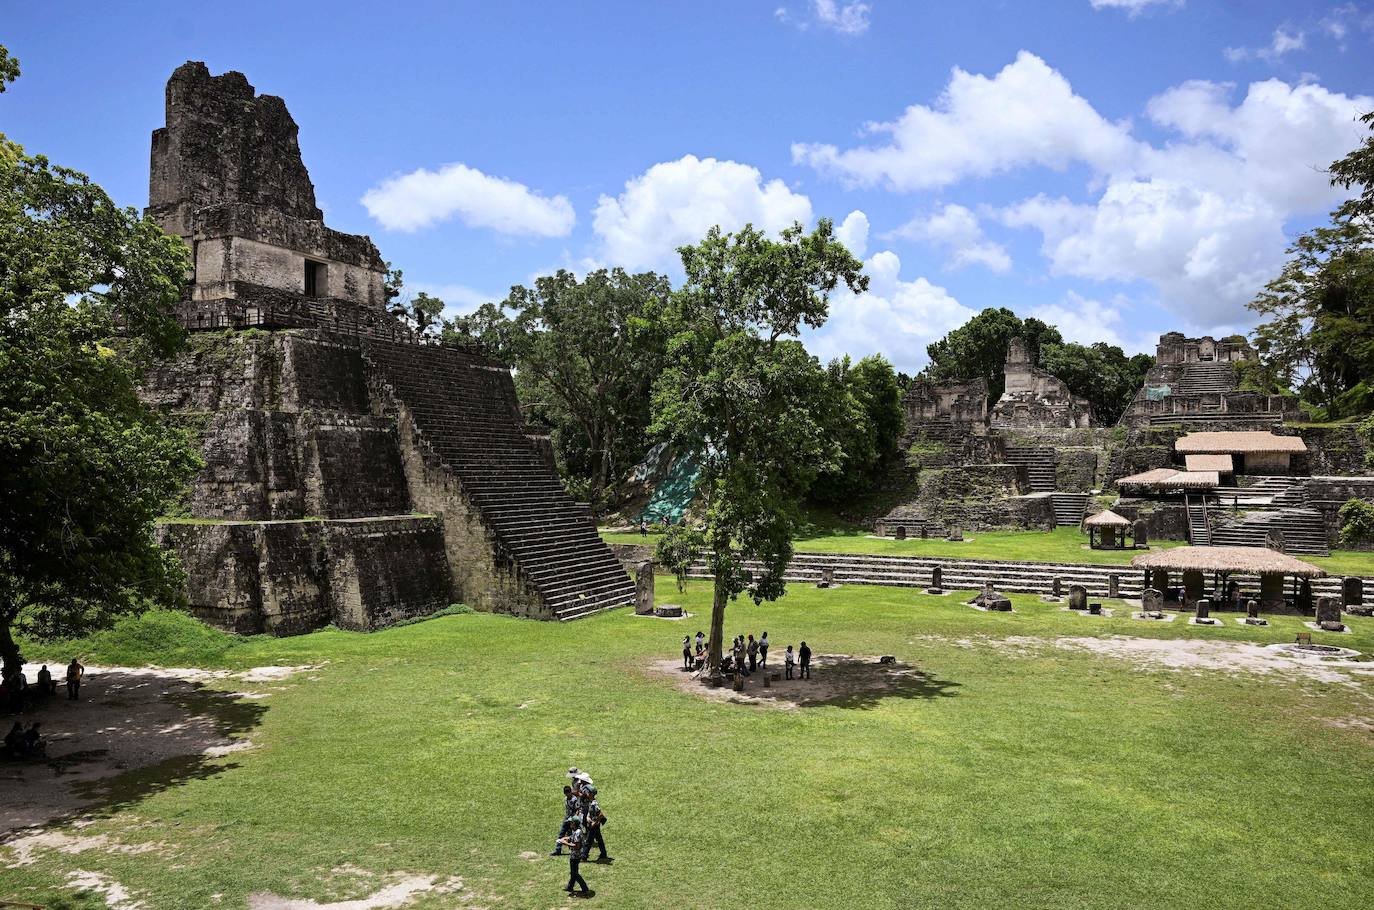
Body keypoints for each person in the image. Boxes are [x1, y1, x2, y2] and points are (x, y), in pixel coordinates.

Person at [557, 817, 591, 896]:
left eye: (571, 822)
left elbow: (577, 846)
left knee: (574, 873)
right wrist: (564, 838)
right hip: (575, 855)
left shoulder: (577, 832)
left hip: (575, 856)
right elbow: (572, 838)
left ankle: (585, 889)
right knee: (573, 872)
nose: (570, 824)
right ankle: (570, 887)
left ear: (574, 824)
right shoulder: (576, 830)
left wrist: (565, 843)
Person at [580, 786, 609, 862]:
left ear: (590, 794)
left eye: (587, 792)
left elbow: (601, 814)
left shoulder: (594, 803)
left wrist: (594, 823)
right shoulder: (591, 801)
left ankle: (584, 856)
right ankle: (603, 853)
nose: (586, 793)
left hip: (594, 825)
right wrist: (588, 817)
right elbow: (590, 812)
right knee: (599, 839)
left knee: (588, 841)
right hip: (593, 824)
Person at [552, 785, 581, 856]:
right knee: (562, 833)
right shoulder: (566, 799)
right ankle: (558, 850)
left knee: (573, 836)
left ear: (570, 792)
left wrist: (575, 818)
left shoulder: (574, 799)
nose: (567, 794)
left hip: (572, 820)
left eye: (568, 793)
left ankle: (576, 850)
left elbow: (577, 809)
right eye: (566, 793)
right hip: (567, 819)